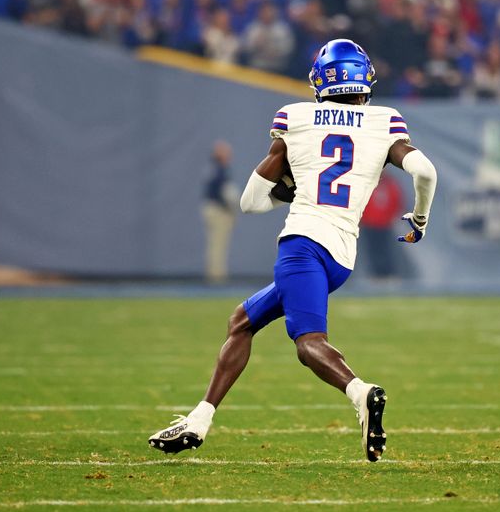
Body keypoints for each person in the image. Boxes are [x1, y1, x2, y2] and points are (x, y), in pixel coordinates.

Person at [148, 39, 438, 462]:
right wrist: (420, 219)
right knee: (242, 321)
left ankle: (361, 393)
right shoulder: (384, 122)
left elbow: (250, 201)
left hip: (302, 245)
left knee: (308, 344)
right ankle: (198, 420)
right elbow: (425, 171)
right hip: (340, 257)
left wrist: (294, 187)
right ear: (363, 79)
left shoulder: (297, 119)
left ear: (321, 80)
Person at [202, 141, 239, 283]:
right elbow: (226, 193)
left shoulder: (213, 168)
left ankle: (214, 273)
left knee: (214, 243)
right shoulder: (220, 169)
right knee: (218, 243)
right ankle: (217, 275)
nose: (229, 155)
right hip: (218, 210)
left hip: (211, 208)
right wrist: (232, 209)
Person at [360, 171, 404, 279]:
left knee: (386, 250)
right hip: (370, 225)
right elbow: (361, 203)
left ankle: (388, 274)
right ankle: (376, 275)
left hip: (385, 225)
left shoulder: (390, 185)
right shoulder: (367, 186)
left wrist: (390, 217)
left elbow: (396, 201)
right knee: (372, 250)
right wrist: (365, 219)